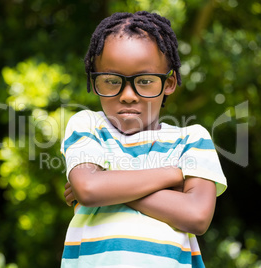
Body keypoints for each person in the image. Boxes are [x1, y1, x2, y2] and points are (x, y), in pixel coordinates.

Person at [60, 11, 227, 267]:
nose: (128, 95)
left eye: (145, 81)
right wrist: (172, 175)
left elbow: (196, 215)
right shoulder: (87, 125)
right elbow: (89, 188)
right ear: (94, 82)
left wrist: (108, 184)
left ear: (169, 82)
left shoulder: (191, 139)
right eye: (112, 81)